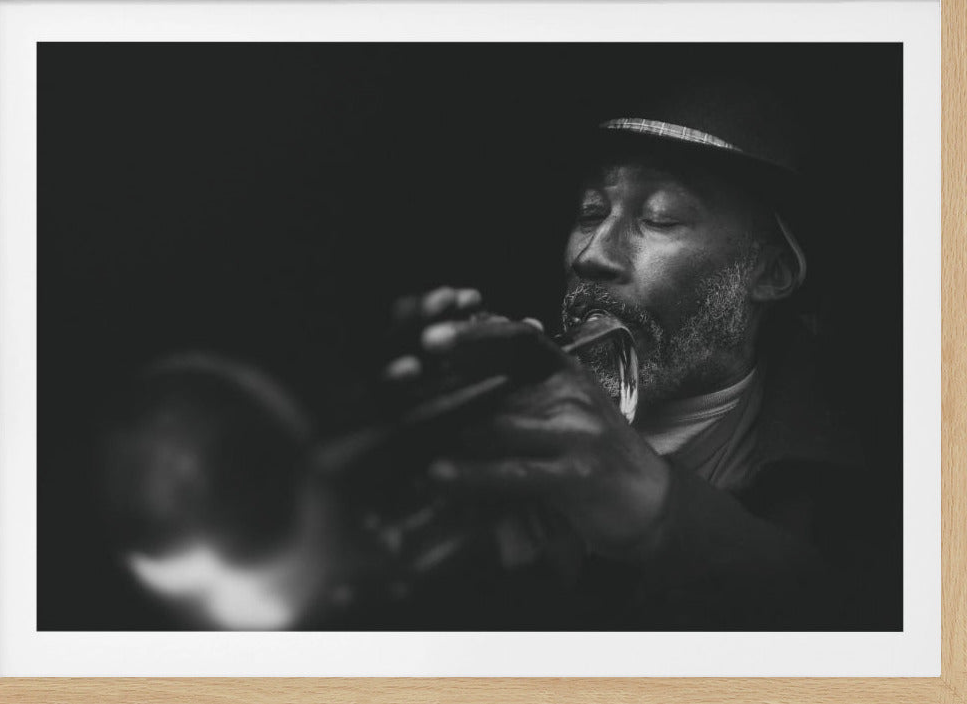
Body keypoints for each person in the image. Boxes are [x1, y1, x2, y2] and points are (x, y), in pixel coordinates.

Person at [378, 86, 884, 630]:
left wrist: (656, 507)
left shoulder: (878, 477)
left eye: (660, 219)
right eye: (590, 212)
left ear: (772, 274)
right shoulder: (517, 399)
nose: (592, 254)